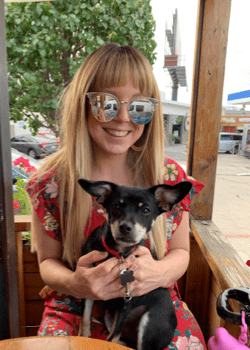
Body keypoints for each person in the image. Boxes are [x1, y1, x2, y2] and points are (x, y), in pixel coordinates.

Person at [26, 43, 206, 349]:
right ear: (82, 105)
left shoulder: (169, 177)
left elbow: (182, 254)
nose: (123, 117)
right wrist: (75, 283)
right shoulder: (51, 182)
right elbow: (48, 263)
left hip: (151, 304)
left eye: (139, 106)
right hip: (74, 306)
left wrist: (158, 272)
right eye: (105, 102)